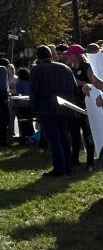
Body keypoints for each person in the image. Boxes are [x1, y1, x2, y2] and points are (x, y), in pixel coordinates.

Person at [28, 45, 77, 178]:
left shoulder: (37, 70)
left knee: (54, 139)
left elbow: (34, 92)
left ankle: (59, 168)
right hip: (65, 107)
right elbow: (74, 88)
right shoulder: (65, 68)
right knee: (64, 138)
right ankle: (68, 166)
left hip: (47, 108)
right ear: (51, 54)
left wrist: (34, 108)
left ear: (38, 57)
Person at [64, 44, 99, 171]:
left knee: (87, 133)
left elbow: (94, 85)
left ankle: (90, 162)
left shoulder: (87, 67)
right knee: (74, 133)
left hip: (86, 104)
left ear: (77, 55)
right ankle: (75, 160)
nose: (68, 56)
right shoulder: (71, 69)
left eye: (70, 54)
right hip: (74, 104)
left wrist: (78, 83)